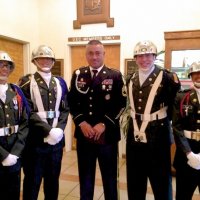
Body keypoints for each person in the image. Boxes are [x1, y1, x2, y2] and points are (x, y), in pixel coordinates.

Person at [68, 40, 126, 200]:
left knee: (109, 179)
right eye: (90, 53)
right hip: (84, 136)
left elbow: (122, 103)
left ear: (104, 54)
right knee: (85, 178)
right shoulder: (78, 74)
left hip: (107, 137)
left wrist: (104, 124)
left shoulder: (115, 75)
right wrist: (81, 122)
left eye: (98, 53)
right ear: (86, 54)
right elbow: (71, 101)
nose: (94, 57)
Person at [124, 40, 180, 199]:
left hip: (158, 134)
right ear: (135, 58)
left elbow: (174, 107)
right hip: (134, 134)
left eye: (148, 55)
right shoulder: (130, 78)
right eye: (140, 56)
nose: (144, 59)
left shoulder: (168, 78)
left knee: (161, 180)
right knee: (135, 180)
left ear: (154, 56)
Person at [18, 45, 69, 200]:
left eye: (48, 58)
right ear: (35, 60)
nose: (45, 61)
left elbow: (65, 109)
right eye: (41, 58)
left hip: (56, 144)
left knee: (53, 182)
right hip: (35, 143)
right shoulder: (26, 83)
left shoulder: (60, 82)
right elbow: (27, 112)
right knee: (32, 183)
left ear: (53, 61)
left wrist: (59, 129)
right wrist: (48, 130)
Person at [0, 51, 29, 200]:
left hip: (14, 154)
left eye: (7, 66)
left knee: (13, 193)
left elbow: (25, 122)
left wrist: (16, 152)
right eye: (0, 65)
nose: (3, 69)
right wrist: (3, 155)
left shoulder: (16, 91)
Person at [172, 60, 200, 200]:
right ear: (191, 75)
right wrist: (189, 153)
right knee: (183, 195)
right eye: (195, 73)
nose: (198, 76)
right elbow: (177, 127)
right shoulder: (182, 96)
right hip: (187, 153)